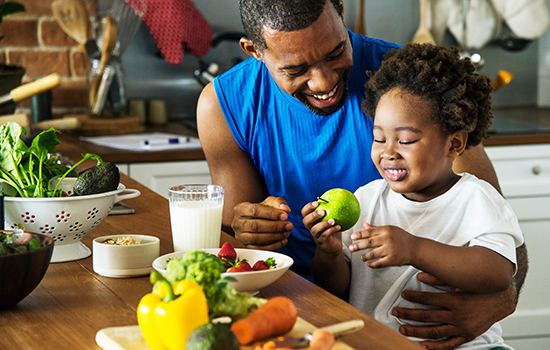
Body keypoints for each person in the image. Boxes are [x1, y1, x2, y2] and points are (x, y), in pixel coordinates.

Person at [196, 0, 528, 348]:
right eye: (296, 69)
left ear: (341, 10)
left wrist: (501, 301)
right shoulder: (225, 105)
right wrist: (254, 231)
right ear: (254, 51)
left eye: (336, 51)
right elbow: (233, 249)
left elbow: (501, 238)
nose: (324, 81)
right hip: (303, 314)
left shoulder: (412, 86)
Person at [302, 43, 524, 349]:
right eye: (379, 138)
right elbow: (337, 288)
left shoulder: (476, 199)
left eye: (405, 140)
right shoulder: (366, 200)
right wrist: (327, 253)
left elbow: (498, 273)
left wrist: (415, 249)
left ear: (454, 144)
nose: (388, 152)